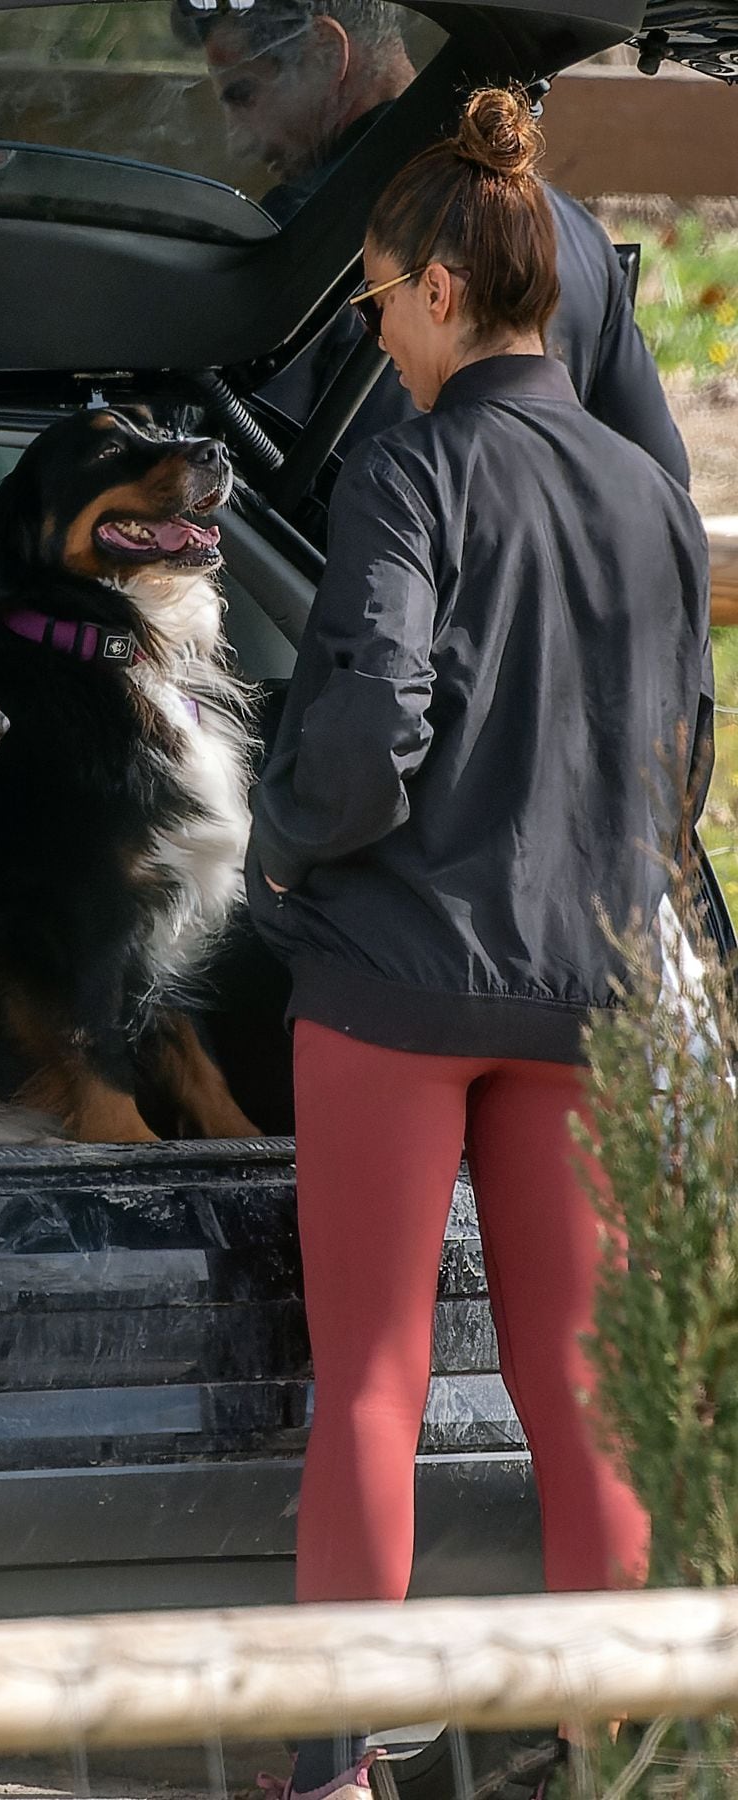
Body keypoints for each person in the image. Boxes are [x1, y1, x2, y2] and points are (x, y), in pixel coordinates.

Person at [246, 86, 713, 1800]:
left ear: (442, 291)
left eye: (370, 297)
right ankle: (634, 1753)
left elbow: (370, 730)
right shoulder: (656, 499)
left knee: (370, 1385)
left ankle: (333, 1777)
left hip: (392, 983)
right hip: (590, 990)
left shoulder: (412, 462)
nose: (371, 331)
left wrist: (282, 848)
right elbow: (683, 760)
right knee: (585, 1391)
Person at [185, 0, 690, 485]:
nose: (239, 140)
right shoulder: (576, 232)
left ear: (325, 49)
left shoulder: (294, 235)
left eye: (243, 94)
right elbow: (660, 475)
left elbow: (227, 485)